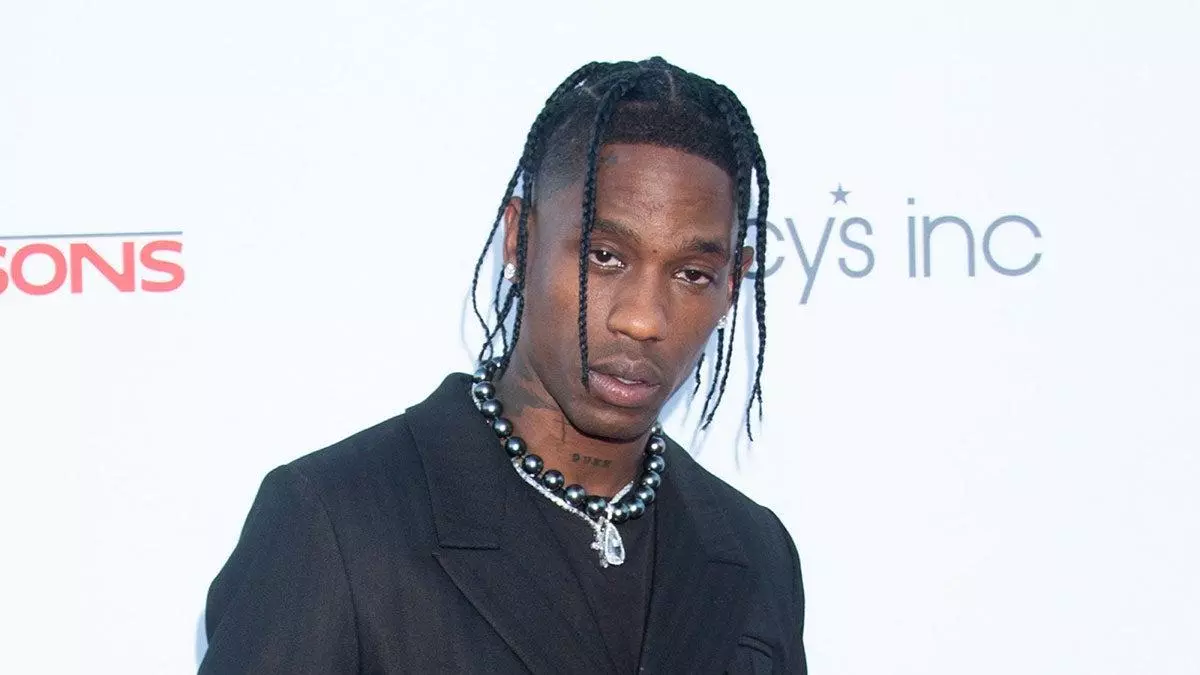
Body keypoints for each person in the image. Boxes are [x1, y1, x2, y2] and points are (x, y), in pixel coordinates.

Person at [199, 56, 806, 674]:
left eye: (692, 274)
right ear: (520, 238)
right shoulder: (336, 521)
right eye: (604, 256)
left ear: (732, 286)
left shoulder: (757, 553)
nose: (643, 319)